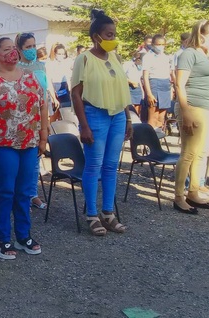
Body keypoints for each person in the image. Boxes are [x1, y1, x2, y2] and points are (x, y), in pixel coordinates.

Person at [0, 37, 48, 259]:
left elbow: (42, 107)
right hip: (2, 145)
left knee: (25, 192)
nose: (13, 53)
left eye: (14, 49)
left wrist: (43, 136)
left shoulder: (31, 78)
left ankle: (23, 236)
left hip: (29, 144)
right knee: (5, 192)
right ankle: (2, 239)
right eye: (6, 50)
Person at [71, 9, 131, 236]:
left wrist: (127, 118)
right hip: (94, 115)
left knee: (110, 166)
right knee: (93, 165)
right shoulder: (84, 59)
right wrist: (84, 125)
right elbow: (76, 94)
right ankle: (92, 215)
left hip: (117, 116)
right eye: (108, 34)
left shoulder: (115, 58)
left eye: (114, 34)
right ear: (96, 36)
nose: (112, 38)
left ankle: (108, 213)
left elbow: (121, 89)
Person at [173, 20, 209, 215]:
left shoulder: (208, 56)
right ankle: (179, 197)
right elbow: (180, 85)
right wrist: (186, 111)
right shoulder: (188, 54)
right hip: (193, 107)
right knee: (188, 153)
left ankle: (193, 192)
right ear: (201, 35)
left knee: (202, 153)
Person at [15, 32, 59, 210]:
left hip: (40, 116)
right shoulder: (15, 68)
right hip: (22, 118)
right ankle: (18, 194)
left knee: (35, 159)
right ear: (19, 49)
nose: (32, 50)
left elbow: (45, 87)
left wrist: (51, 102)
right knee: (20, 160)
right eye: (27, 47)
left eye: (33, 46)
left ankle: (32, 194)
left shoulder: (41, 65)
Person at [142, 34, 173, 130]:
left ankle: (158, 140)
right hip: (154, 84)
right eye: (158, 44)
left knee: (161, 118)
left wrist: (171, 89)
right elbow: (145, 76)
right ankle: (150, 141)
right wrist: (149, 94)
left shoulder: (166, 57)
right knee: (153, 117)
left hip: (165, 85)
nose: (160, 47)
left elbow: (169, 74)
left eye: (163, 44)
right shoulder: (148, 57)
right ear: (153, 44)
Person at [47, 43, 73, 115]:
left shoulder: (67, 62)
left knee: (67, 112)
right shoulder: (50, 63)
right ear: (55, 53)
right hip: (55, 88)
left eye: (63, 54)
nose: (61, 56)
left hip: (65, 88)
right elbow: (49, 81)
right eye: (59, 54)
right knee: (55, 113)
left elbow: (69, 78)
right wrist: (54, 97)